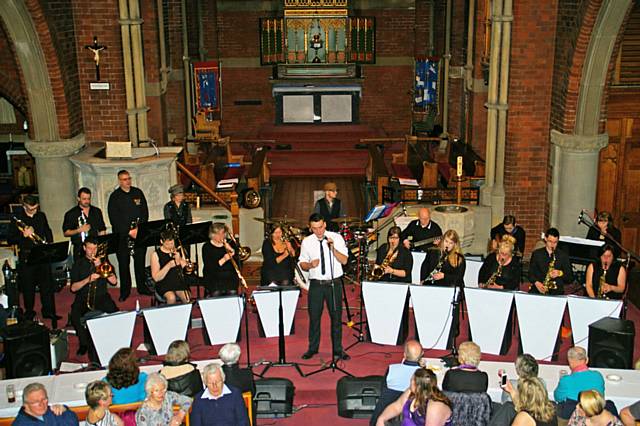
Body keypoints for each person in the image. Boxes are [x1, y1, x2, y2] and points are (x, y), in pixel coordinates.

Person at [298, 213, 350, 361]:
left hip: (334, 283)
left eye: (320, 227)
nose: (318, 231)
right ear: (310, 228)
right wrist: (309, 265)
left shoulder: (336, 238)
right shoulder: (307, 242)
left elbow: (345, 261)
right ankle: (312, 348)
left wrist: (333, 249)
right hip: (316, 285)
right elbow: (302, 263)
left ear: (325, 224)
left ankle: (338, 350)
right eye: (314, 228)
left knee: (336, 318)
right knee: (314, 318)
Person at [8, 194, 58, 323]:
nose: (34, 211)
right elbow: (10, 239)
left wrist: (49, 243)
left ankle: (49, 311)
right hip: (27, 255)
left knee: (47, 285)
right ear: (24, 206)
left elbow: (47, 230)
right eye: (31, 209)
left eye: (36, 208)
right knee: (28, 286)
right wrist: (23, 235)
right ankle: (29, 312)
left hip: (42, 253)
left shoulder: (41, 216)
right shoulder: (17, 218)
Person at [70, 237, 119, 356]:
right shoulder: (78, 264)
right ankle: (84, 344)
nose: (92, 251)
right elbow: (73, 288)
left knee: (116, 313)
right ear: (84, 248)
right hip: (83, 297)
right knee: (75, 315)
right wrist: (88, 279)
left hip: (101, 296)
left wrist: (100, 265)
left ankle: (115, 341)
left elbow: (114, 281)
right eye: (89, 248)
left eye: (95, 248)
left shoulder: (104, 262)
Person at [107, 169, 150, 301]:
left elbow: (145, 212)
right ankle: (125, 291)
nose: (128, 181)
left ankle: (142, 287)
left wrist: (138, 229)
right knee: (124, 265)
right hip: (122, 236)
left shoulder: (138, 192)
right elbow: (114, 218)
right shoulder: (114, 197)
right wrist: (128, 231)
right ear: (120, 181)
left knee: (140, 262)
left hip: (139, 234)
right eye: (125, 179)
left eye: (129, 178)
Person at [370, 340, 424, 426]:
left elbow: (383, 388)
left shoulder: (391, 368)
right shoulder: (423, 375)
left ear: (404, 355)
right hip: (409, 416)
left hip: (384, 413)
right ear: (421, 355)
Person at [376, 368, 453, 426]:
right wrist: (382, 419)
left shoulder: (435, 407)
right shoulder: (412, 392)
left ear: (418, 386)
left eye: (412, 379)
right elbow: (397, 406)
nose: (410, 380)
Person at [62, 187, 107, 260]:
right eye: (84, 199)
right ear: (78, 198)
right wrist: (78, 230)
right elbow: (66, 233)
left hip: (95, 248)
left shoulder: (96, 211)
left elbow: (102, 229)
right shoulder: (71, 214)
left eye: (88, 199)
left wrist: (101, 243)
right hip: (80, 249)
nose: (87, 201)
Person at [528, 227, 573, 295]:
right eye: (550, 241)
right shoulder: (537, 254)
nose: (552, 245)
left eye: (555, 242)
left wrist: (559, 273)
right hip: (538, 288)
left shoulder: (563, 256)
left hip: (556, 291)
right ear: (545, 239)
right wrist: (536, 283)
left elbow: (570, 278)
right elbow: (530, 273)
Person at [149, 229, 190, 304]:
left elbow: (187, 269)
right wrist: (169, 265)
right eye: (168, 244)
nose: (171, 246)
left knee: (186, 298)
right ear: (162, 242)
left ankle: (186, 314)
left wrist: (180, 259)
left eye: (172, 243)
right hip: (164, 282)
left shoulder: (179, 250)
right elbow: (156, 277)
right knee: (171, 298)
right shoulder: (155, 255)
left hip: (178, 281)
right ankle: (170, 315)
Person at [13, 382, 79, 425]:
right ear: (26, 405)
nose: (41, 404)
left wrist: (65, 410)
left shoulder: (52, 411)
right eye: (36, 402)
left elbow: (74, 422)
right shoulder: (20, 423)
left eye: (44, 399)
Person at [202, 222, 239, 296]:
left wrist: (232, 250)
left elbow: (239, 264)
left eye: (222, 233)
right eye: (218, 234)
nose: (221, 236)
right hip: (213, 277)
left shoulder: (231, 243)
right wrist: (224, 259)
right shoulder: (207, 247)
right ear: (212, 235)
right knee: (216, 293)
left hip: (230, 277)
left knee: (232, 292)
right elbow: (210, 268)